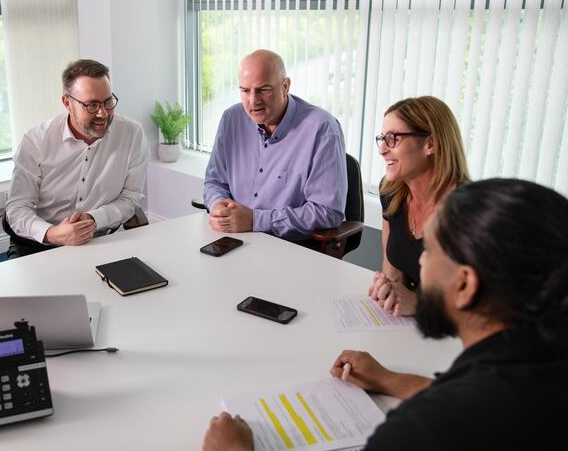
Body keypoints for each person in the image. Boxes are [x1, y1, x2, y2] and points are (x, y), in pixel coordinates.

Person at [203, 178, 568, 451]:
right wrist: (392, 380)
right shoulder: (538, 359)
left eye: (432, 252)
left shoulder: (421, 431)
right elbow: (490, 402)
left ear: (465, 284)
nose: (421, 261)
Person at [5, 59, 149, 258]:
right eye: (91, 105)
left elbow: (131, 197)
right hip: (39, 245)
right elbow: (17, 208)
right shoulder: (36, 141)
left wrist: (94, 219)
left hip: (102, 241)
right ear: (67, 103)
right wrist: (52, 233)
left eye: (108, 101)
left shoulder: (132, 133)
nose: (103, 113)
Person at [203, 49, 347, 242]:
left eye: (263, 89)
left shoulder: (322, 129)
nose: (253, 100)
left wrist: (255, 220)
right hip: (232, 238)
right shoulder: (232, 119)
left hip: (288, 248)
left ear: (285, 86)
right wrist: (218, 206)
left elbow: (328, 211)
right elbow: (215, 182)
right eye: (245, 90)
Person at [367, 96, 470, 316]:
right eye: (382, 138)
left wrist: (419, 304)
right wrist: (387, 289)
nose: (382, 149)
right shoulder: (391, 191)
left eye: (393, 138)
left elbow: (483, 306)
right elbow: (393, 271)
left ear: (430, 144)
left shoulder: (468, 210)